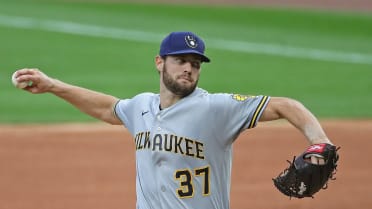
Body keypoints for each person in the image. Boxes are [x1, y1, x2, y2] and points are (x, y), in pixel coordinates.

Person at [14, 31, 333, 209]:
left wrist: (321, 143)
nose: (188, 69)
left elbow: (286, 106)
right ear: (159, 63)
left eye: (195, 64)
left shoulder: (215, 109)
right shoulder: (141, 107)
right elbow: (107, 109)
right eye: (181, 60)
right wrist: (53, 86)